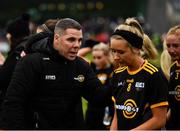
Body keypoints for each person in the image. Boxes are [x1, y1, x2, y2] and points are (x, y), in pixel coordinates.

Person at [0, 18, 111, 130]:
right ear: (56, 38)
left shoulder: (81, 65)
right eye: (71, 40)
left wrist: (118, 76)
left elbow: (100, 97)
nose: (77, 45)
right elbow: (13, 102)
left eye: (79, 40)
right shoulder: (31, 62)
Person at [110, 18, 168, 130]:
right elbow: (117, 115)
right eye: (113, 51)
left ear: (136, 49)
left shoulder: (153, 75)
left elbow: (160, 119)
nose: (116, 57)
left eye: (121, 52)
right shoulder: (117, 74)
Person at [0, 13, 30, 113]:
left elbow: (4, 78)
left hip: (14, 109)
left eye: (9, 33)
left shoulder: (18, 51)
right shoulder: (27, 47)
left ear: (14, 34)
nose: (7, 36)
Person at [85, 43, 114, 130]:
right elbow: (78, 55)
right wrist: (91, 46)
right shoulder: (91, 67)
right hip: (91, 109)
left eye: (99, 57)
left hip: (106, 110)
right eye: (94, 57)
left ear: (107, 56)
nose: (96, 60)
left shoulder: (112, 70)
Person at [165, 25, 180, 130]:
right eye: (168, 46)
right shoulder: (173, 68)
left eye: (175, 46)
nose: (171, 50)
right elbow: (173, 102)